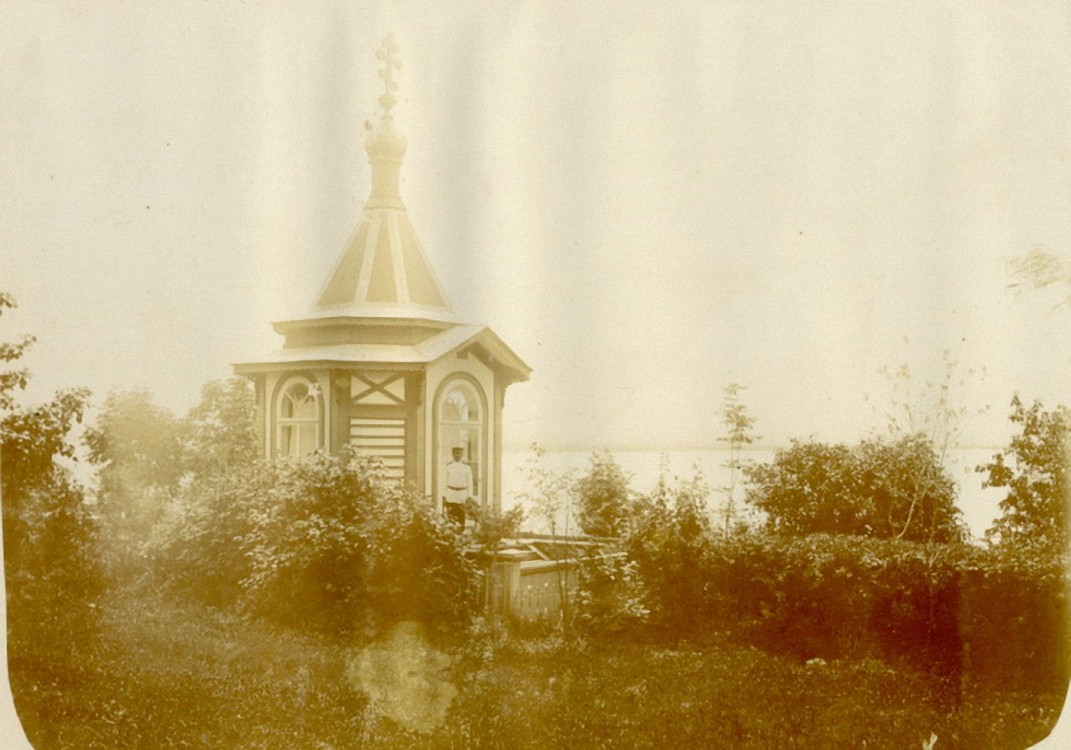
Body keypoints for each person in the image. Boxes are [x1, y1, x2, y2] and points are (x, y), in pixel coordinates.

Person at [442, 446, 473, 528]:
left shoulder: (467, 468)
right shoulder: (448, 467)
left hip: (462, 495)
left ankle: (460, 535)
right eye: (455, 453)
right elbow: (444, 482)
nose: (457, 455)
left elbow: (470, 483)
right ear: (452, 454)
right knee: (451, 516)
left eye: (459, 453)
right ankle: (451, 536)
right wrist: (444, 496)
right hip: (451, 494)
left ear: (462, 454)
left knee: (461, 516)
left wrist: (469, 496)